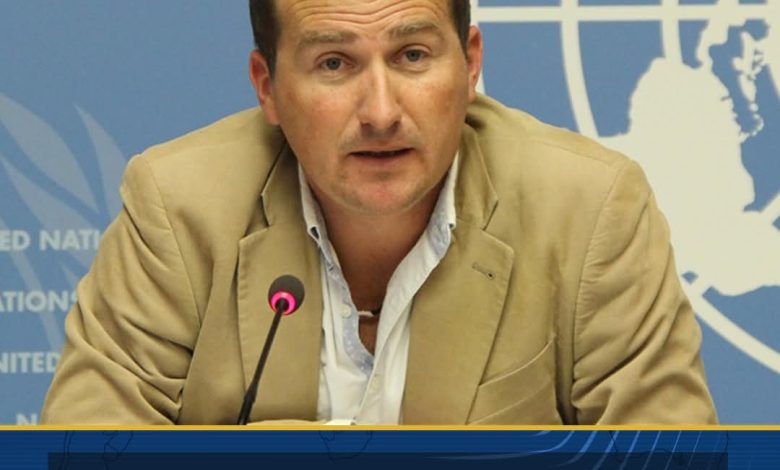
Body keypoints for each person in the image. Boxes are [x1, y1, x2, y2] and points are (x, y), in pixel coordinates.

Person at [41, 0, 717, 424]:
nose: (382, 112)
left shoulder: (589, 209)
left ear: (470, 65)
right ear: (267, 87)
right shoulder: (180, 205)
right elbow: (86, 445)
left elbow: (667, 453)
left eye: (412, 56)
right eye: (334, 64)